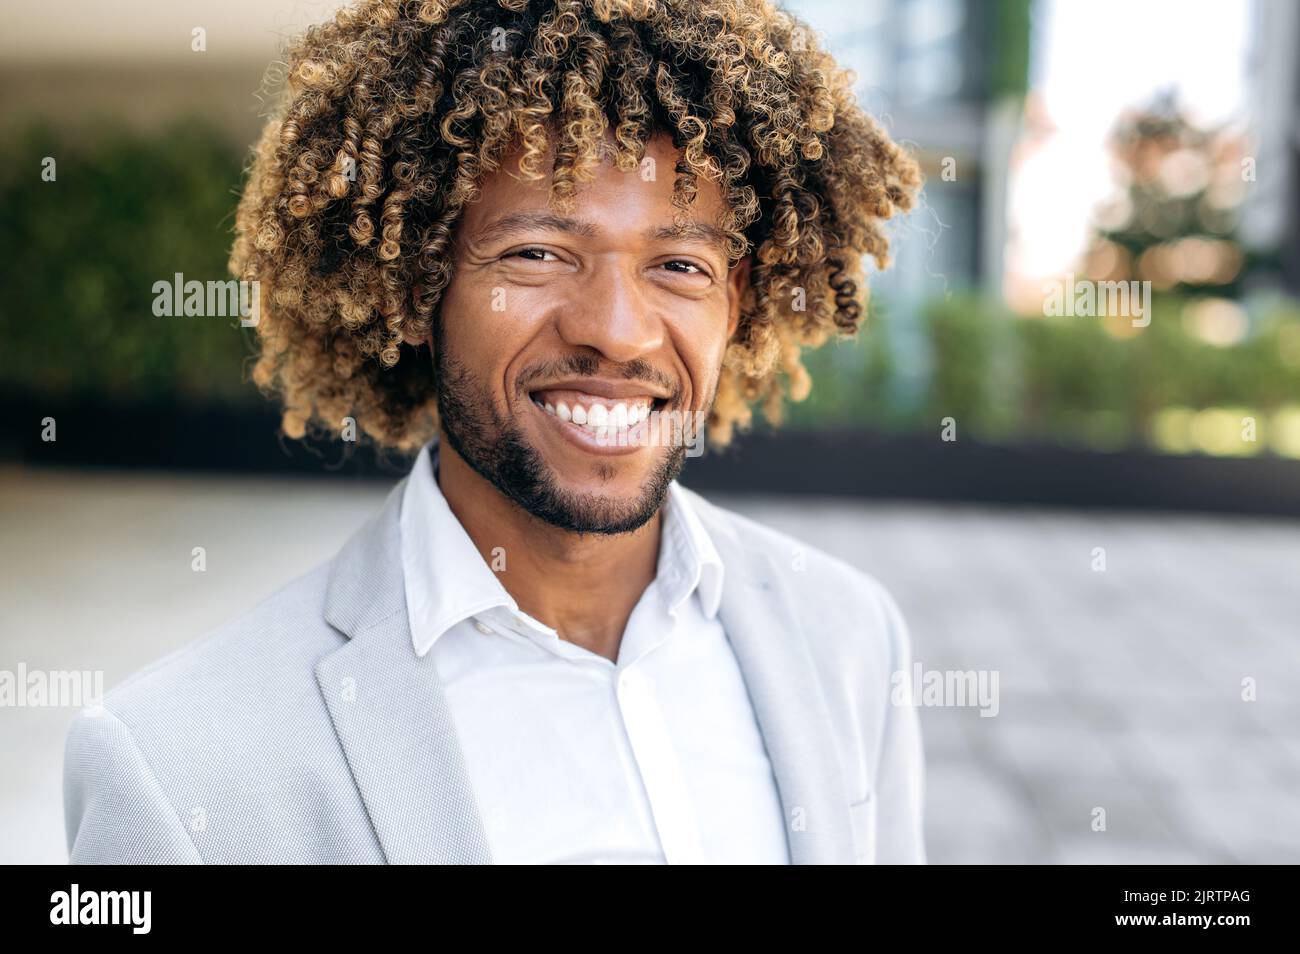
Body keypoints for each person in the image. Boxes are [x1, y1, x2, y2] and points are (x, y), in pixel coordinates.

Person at [64, 0, 925, 864]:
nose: (618, 332)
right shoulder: (182, 767)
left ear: (733, 303)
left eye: (678, 265)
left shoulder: (849, 640)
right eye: (537, 254)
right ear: (417, 287)